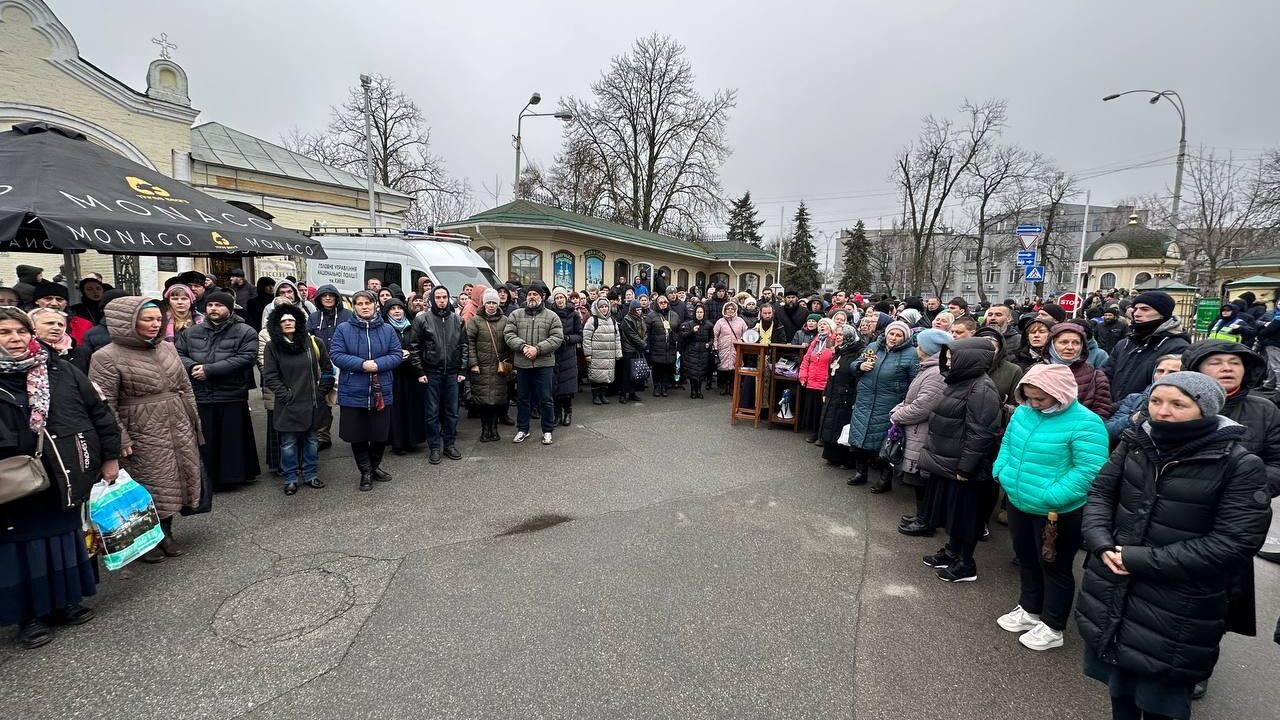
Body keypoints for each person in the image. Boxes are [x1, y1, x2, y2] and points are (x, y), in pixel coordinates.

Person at [1077, 372, 1271, 720]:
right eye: (1156, 401)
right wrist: (1100, 542)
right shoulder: (1136, 441)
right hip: (1116, 585)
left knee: (1160, 702)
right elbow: (1101, 493)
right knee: (1119, 689)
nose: (1162, 411)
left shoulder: (1239, 464)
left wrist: (1138, 559)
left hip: (1178, 604)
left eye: (1178, 404)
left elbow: (1233, 542)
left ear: (1205, 409)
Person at [0, 307, 120, 649]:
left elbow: (99, 411)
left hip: (64, 472)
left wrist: (109, 456)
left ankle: (66, 602)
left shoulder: (59, 370)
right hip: (12, 483)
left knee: (63, 540)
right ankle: (29, 616)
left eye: (20, 332)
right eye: (4, 332)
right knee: (21, 549)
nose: (14, 339)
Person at [991, 364, 1109, 651]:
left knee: (1054, 566)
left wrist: (1054, 496)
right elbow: (1008, 443)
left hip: (1057, 511)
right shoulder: (1023, 412)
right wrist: (1001, 470)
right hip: (1020, 501)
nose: (1033, 404)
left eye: (1040, 399)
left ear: (1060, 393)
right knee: (1026, 557)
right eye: (1029, 397)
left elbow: (1090, 469)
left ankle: (1053, 625)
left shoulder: (1086, 423)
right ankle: (1029, 609)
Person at [90, 297, 203, 562]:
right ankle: (145, 539)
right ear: (127, 322)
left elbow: (185, 387)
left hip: (177, 423)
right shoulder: (105, 357)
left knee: (175, 481)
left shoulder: (166, 348)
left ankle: (166, 533)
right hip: (140, 429)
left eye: (158, 319)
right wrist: (120, 437)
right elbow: (104, 404)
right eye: (147, 319)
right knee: (148, 484)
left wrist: (194, 421)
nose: (155, 324)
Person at [917, 338, 1003, 583]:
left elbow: (981, 432)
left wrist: (966, 468)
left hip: (964, 467)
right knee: (952, 514)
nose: (948, 361)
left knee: (966, 516)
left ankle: (966, 562)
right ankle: (952, 551)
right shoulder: (959, 382)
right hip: (949, 461)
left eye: (954, 357)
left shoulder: (981, 388)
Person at [175, 291, 261, 490]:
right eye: (210, 305)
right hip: (201, 393)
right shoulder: (192, 332)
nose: (213, 308)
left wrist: (209, 370)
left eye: (219, 305)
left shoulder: (245, 331)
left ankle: (233, 477)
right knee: (207, 438)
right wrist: (192, 367)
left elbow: (246, 358)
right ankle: (208, 478)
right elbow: (178, 353)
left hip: (231, 393)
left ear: (229, 309)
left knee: (231, 440)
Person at [329, 291, 402, 491]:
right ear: (354, 307)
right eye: (359, 303)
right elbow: (336, 354)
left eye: (367, 303)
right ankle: (365, 472)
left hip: (381, 390)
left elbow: (397, 354)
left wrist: (377, 365)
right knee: (358, 434)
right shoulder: (344, 329)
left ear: (375, 305)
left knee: (379, 434)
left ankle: (375, 466)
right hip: (354, 390)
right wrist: (362, 365)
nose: (364, 306)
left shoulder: (387, 330)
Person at [261, 304, 334, 495]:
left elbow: (327, 369)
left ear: (298, 322)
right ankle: (290, 479)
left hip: (311, 402)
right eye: (283, 320)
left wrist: (320, 391)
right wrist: (286, 395)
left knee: (311, 441)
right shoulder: (272, 347)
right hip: (287, 405)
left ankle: (310, 475)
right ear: (277, 324)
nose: (287, 323)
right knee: (288, 444)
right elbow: (270, 375)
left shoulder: (313, 342)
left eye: (291, 320)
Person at [847, 320, 919, 493]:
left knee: (886, 443)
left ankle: (885, 479)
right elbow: (854, 365)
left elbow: (914, 382)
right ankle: (860, 473)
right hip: (865, 399)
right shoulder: (873, 347)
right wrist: (860, 366)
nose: (893, 338)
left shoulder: (911, 354)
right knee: (859, 439)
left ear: (905, 337)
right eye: (891, 333)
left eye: (898, 335)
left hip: (889, 403)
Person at [893, 329, 951, 537]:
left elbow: (923, 407)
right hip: (917, 431)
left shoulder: (935, 373)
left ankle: (925, 521)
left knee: (923, 480)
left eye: (920, 344)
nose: (917, 348)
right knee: (919, 480)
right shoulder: (928, 368)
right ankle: (921, 515)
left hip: (922, 433)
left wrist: (897, 415)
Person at [409, 287, 466, 463]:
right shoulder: (423, 320)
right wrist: (419, 370)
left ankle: (449, 444)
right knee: (431, 412)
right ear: (432, 299)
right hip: (431, 372)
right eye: (438, 297)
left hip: (452, 373)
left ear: (449, 298)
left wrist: (463, 369)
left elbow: (464, 346)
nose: (442, 300)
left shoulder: (457, 319)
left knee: (452, 412)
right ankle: (434, 447)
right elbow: (414, 346)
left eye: (445, 297)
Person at [1103, 291, 1190, 406]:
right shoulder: (1124, 343)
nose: (1137, 314)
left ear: (1162, 313)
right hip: (1110, 411)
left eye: (1145, 309)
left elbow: (1168, 390)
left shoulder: (1177, 347)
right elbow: (1105, 376)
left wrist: (1122, 408)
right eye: (1135, 309)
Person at [503, 282, 564, 445]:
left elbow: (557, 337)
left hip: (544, 364)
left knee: (545, 398)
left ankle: (547, 430)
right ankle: (523, 429)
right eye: (530, 294)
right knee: (523, 398)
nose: (532, 297)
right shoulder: (516, 315)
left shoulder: (552, 316)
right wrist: (523, 347)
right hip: (523, 364)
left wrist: (537, 349)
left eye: (535, 294)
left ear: (542, 297)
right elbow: (508, 334)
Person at [467, 289, 514, 441]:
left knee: (497, 401)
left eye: (494, 302)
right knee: (484, 402)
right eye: (489, 302)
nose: (491, 305)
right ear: (484, 304)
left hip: (499, 367)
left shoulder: (505, 320)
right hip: (482, 366)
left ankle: (494, 429)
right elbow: (469, 343)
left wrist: (511, 364)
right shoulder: (476, 320)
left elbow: (510, 342)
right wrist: (473, 363)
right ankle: (485, 430)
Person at [818, 325, 868, 467]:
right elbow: (831, 374)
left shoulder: (858, 352)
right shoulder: (840, 351)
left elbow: (856, 375)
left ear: (849, 336)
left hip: (847, 394)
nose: (837, 337)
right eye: (837, 334)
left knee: (842, 424)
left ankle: (846, 459)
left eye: (841, 335)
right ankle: (831, 455)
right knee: (831, 422)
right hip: (833, 392)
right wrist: (826, 391)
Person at [1106, 354, 1181, 443]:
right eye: (1160, 371)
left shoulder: (1189, 405)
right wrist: (1132, 419)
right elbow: (1106, 431)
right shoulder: (1134, 399)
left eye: (1172, 372)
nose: (1164, 376)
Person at [383, 299, 426, 455]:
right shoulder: (384, 327)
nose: (396, 311)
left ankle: (412, 440)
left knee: (412, 407)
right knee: (396, 409)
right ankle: (398, 443)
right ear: (387, 311)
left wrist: (410, 353)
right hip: (393, 374)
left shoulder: (412, 325)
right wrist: (397, 355)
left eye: (399, 308)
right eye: (392, 308)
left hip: (411, 373)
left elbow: (420, 344)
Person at [1046, 323, 1113, 418]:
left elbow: (1101, 413)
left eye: (1076, 343)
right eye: (1064, 342)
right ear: (1052, 345)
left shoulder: (1096, 377)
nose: (1070, 347)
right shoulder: (1035, 371)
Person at [798, 319, 839, 441]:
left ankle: (822, 436)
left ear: (831, 327)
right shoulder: (815, 341)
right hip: (812, 380)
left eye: (824, 324)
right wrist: (803, 375)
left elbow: (834, 358)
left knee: (823, 410)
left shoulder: (833, 341)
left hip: (825, 381)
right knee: (813, 409)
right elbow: (806, 359)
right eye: (820, 324)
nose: (821, 326)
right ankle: (814, 432)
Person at [546, 287, 582, 424]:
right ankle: (557, 414)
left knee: (567, 388)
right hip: (553, 353)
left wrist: (568, 339)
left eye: (561, 297)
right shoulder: (549, 314)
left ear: (565, 298)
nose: (559, 300)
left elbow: (580, 335)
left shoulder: (574, 314)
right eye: (557, 298)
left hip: (568, 354)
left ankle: (568, 412)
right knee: (554, 387)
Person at [583, 297, 623, 405]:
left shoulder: (612, 320)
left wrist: (618, 353)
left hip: (609, 355)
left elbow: (617, 337)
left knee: (606, 377)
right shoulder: (592, 320)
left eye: (605, 306)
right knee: (596, 377)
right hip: (596, 355)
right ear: (597, 308)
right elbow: (586, 338)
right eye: (601, 307)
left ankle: (603, 395)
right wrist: (588, 354)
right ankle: (596, 396)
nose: (604, 309)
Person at [27, 306, 88, 374]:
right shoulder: (23, 350)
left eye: (60, 325)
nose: (57, 328)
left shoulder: (80, 351)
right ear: (32, 326)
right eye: (50, 323)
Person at [645, 293, 679, 398]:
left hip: (670, 347)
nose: (663, 304)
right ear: (657, 304)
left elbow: (677, 330)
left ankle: (664, 387)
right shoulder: (651, 315)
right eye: (661, 303)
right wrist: (648, 346)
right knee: (657, 368)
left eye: (665, 302)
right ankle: (656, 387)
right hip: (656, 347)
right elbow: (647, 332)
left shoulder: (674, 315)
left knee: (667, 368)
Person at [617, 299, 649, 404]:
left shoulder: (642, 319)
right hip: (629, 349)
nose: (639, 311)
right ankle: (623, 393)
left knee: (635, 373)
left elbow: (645, 332)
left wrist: (643, 341)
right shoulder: (627, 319)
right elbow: (631, 335)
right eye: (637, 309)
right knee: (626, 373)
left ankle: (632, 393)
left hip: (637, 348)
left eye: (640, 309)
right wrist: (643, 343)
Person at [676, 304, 711, 399]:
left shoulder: (708, 325)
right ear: (694, 313)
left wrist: (709, 343)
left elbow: (712, 337)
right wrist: (692, 331)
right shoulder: (689, 324)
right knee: (693, 373)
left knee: (701, 372)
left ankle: (699, 390)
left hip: (703, 351)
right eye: (698, 312)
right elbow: (683, 336)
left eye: (701, 312)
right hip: (692, 351)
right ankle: (693, 391)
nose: (699, 314)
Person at [712, 300, 746, 396]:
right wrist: (715, 346)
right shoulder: (720, 322)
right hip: (723, 347)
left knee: (734, 368)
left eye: (732, 309)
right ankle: (723, 386)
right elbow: (714, 335)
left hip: (736, 349)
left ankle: (732, 387)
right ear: (725, 310)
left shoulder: (741, 321)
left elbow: (746, 334)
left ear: (735, 310)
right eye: (728, 309)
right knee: (723, 368)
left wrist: (742, 341)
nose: (730, 310)